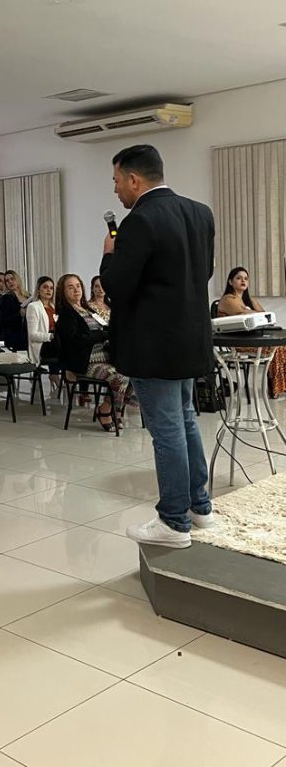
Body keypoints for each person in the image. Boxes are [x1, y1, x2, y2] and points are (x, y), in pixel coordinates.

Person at [100, 143, 214, 548]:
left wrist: (108, 256)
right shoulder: (200, 213)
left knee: (167, 431)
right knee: (185, 422)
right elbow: (204, 272)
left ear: (134, 179)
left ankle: (173, 521)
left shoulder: (139, 220)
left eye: (117, 180)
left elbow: (117, 286)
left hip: (153, 345)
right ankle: (200, 508)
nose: (116, 189)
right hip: (190, 338)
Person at [55, 274, 134, 430]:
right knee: (120, 377)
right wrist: (102, 335)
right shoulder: (66, 315)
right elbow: (76, 341)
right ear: (62, 292)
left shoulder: (89, 310)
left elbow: (104, 329)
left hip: (105, 357)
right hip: (85, 362)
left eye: (78, 286)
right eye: (70, 287)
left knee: (133, 373)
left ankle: (116, 411)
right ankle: (105, 411)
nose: (76, 290)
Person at [217, 266, 286, 398]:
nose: (243, 281)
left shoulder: (250, 299)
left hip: (254, 337)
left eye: (246, 278)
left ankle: (280, 386)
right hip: (238, 341)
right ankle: (275, 388)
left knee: (281, 346)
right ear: (231, 282)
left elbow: (265, 316)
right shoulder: (228, 299)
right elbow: (244, 314)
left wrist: (251, 312)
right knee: (276, 349)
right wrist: (252, 312)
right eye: (239, 278)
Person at [26, 276, 58, 365]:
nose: (49, 290)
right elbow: (32, 335)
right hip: (44, 345)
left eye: (51, 288)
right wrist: (51, 336)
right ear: (38, 290)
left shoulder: (54, 307)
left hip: (56, 343)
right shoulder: (33, 306)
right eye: (45, 287)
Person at [0, 270, 29, 350]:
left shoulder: (28, 296)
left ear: (17, 279)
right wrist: (20, 315)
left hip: (29, 334)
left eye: (12, 279)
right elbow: (4, 320)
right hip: (16, 337)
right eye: (7, 281)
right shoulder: (6, 299)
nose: (10, 282)